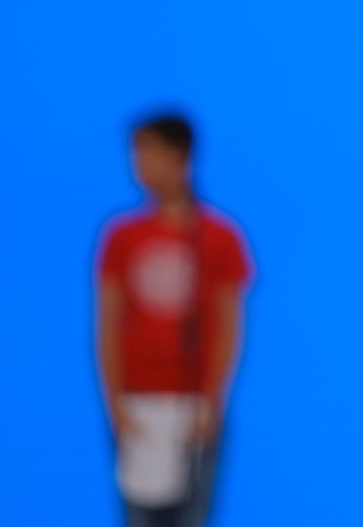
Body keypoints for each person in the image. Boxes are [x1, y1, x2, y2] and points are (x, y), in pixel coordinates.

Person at [95, 112, 252, 527]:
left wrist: (212, 400)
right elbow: (107, 325)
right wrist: (114, 403)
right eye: (136, 152)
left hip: (192, 405)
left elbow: (229, 326)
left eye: (149, 151)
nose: (139, 163)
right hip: (137, 401)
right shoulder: (121, 237)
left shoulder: (220, 237)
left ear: (180, 156)